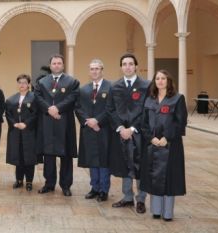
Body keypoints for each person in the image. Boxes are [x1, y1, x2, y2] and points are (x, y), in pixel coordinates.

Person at [140, 70, 188, 221]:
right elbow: (144, 124)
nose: (160, 81)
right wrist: (150, 138)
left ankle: (167, 213)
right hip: (152, 145)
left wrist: (167, 137)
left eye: (163, 78)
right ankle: (155, 210)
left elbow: (181, 123)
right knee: (154, 176)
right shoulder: (149, 100)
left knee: (170, 179)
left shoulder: (177, 99)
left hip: (171, 146)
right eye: (157, 78)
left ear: (169, 80)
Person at [107, 53, 150, 213]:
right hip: (121, 133)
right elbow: (110, 109)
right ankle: (127, 197)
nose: (127, 67)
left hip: (138, 133)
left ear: (136, 66)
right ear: (121, 67)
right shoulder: (114, 86)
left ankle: (141, 199)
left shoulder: (146, 86)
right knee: (125, 164)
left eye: (131, 64)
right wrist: (120, 128)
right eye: (124, 64)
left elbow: (147, 110)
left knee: (140, 166)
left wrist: (132, 129)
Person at [34, 54, 79, 196]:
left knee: (65, 155)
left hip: (64, 122)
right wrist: (49, 109)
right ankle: (49, 183)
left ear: (63, 65)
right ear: (50, 65)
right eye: (54, 63)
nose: (57, 65)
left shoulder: (72, 82)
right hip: (47, 122)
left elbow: (73, 98)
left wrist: (57, 108)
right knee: (48, 155)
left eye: (59, 63)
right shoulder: (42, 82)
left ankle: (66, 185)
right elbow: (37, 97)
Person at [74, 59, 112, 202]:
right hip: (88, 130)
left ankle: (104, 189)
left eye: (97, 68)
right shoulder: (83, 90)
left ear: (102, 70)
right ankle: (94, 188)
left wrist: (98, 121)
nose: (94, 71)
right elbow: (78, 108)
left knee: (103, 160)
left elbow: (111, 108)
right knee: (92, 159)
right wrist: (88, 121)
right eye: (92, 69)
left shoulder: (110, 87)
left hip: (104, 130)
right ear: (89, 72)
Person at [5, 74, 38, 191]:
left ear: (29, 84)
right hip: (16, 132)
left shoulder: (35, 98)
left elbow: (36, 114)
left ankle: (29, 181)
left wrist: (26, 124)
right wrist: (14, 123)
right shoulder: (11, 99)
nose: (22, 85)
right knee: (18, 156)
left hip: (29, 132)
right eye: (20, 82)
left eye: (24, 82)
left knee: (29, 157)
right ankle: (19, 180)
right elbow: (8, 114)